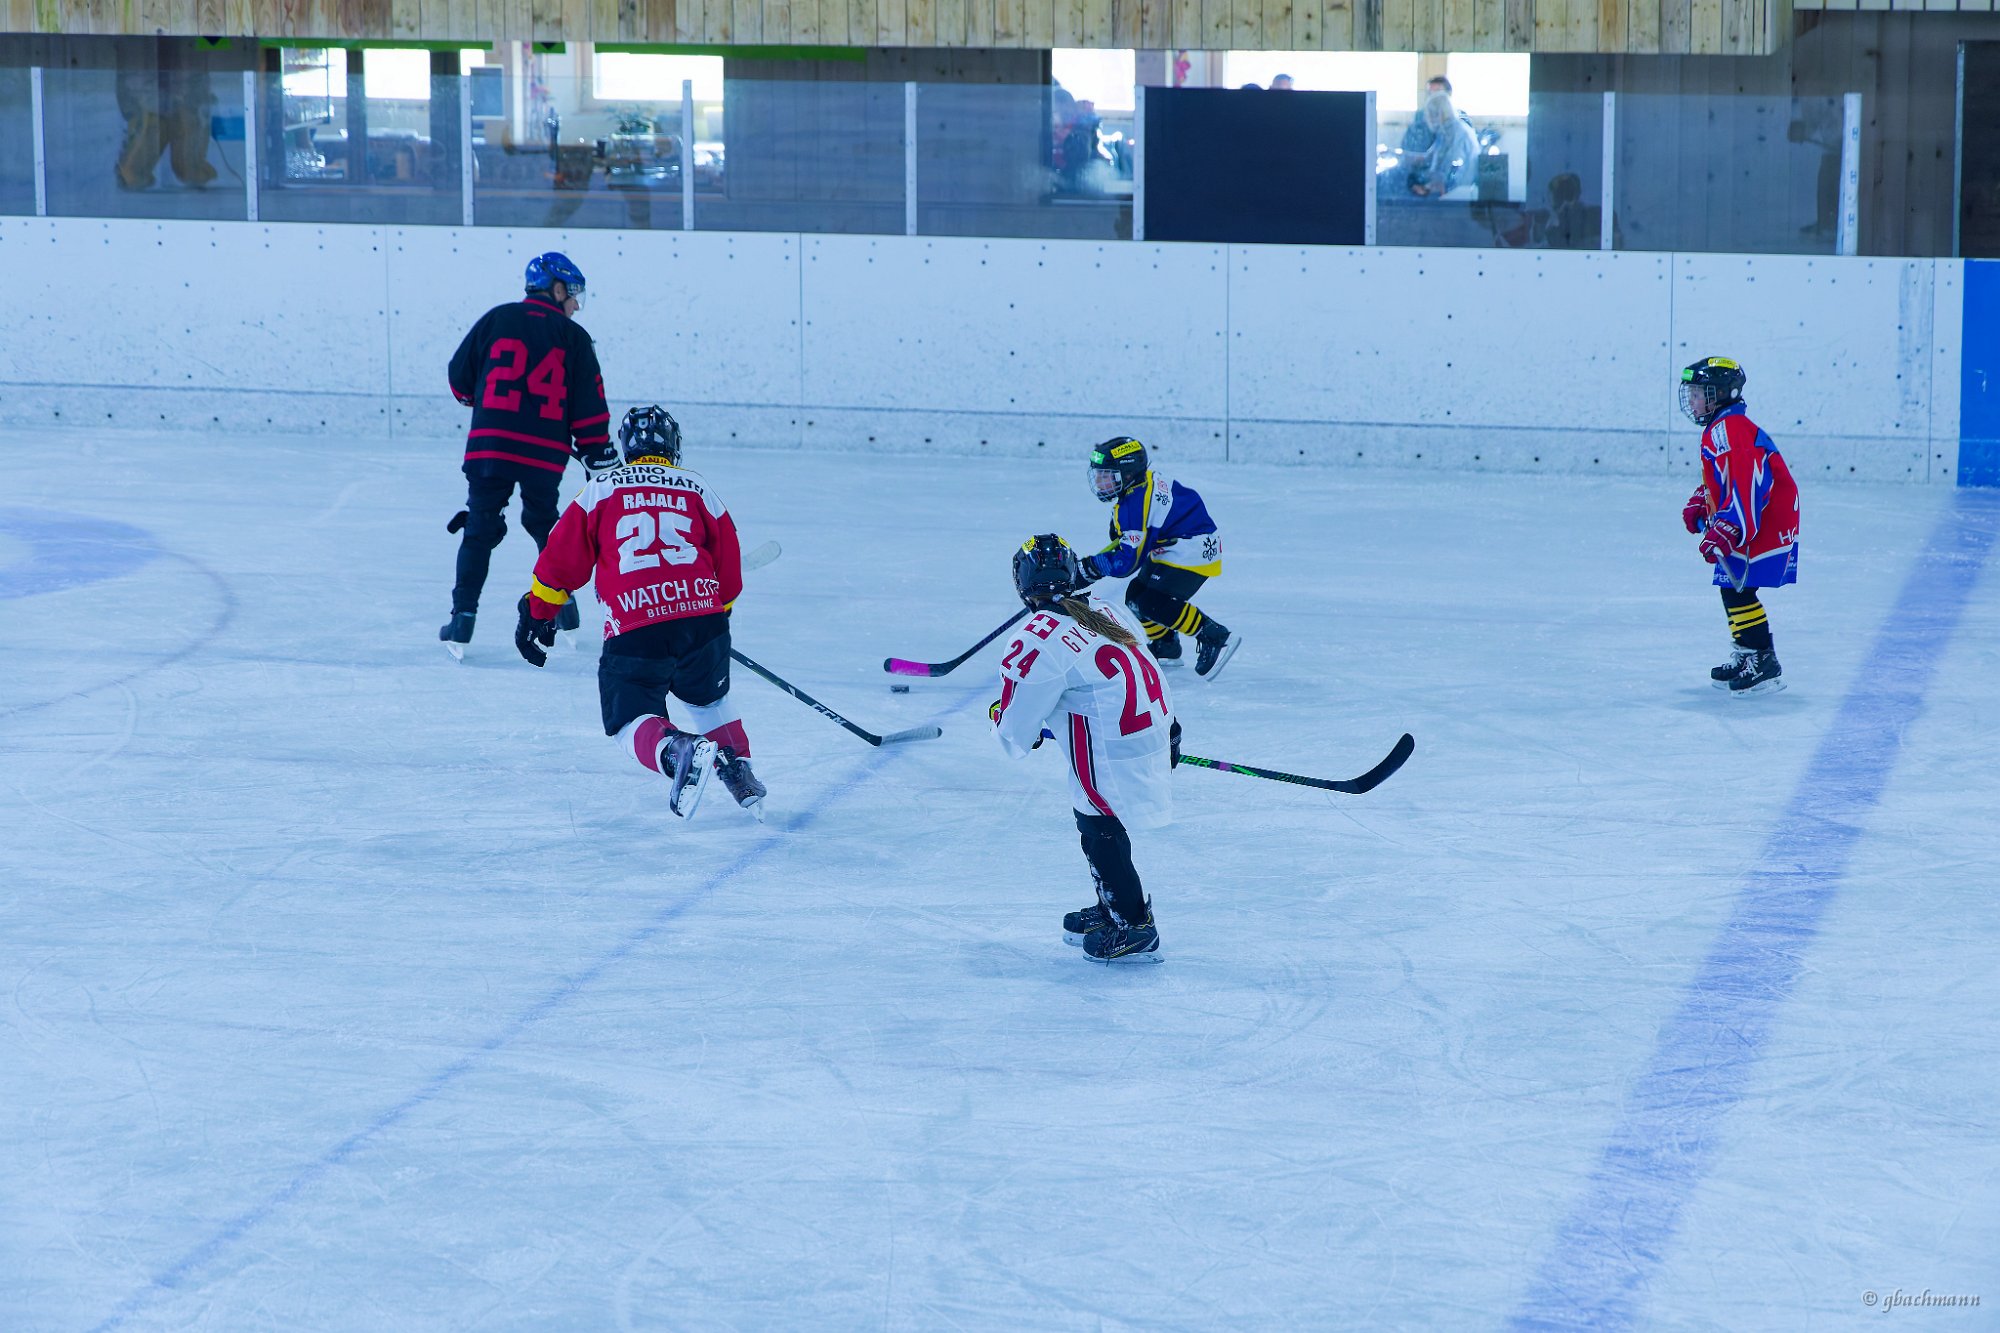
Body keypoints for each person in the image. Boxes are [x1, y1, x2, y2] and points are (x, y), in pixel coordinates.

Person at [514, 406, 767, 820]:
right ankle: (739, 770)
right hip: (701, 621)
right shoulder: (697, 487)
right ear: (674, 445)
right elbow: (729, 566)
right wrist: (714, 619)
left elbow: (560, 560)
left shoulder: (600, 488)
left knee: (628, 718)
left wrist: (538, 611)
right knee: (708, 699)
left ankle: (676, 750)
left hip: (635, 624)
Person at [990, 534, 1180, 963]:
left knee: (1097, 826)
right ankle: (1113, 906)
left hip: (1110, 747)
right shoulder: (1106, 608)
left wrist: (1004, 716)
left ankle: (1134, 924)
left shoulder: (1038, 636)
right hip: (1149, 730)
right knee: (1098, 822)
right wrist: (1171, 728)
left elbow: (1015, 730)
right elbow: (1146, 665)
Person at [440, 252, 615, 657]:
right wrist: (596, 454)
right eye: (573, 295)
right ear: (557, 289)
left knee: (479, 526)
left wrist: (482, 403)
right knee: (545, 525)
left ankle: (462, 619)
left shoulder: (496, 319)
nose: (575, 306)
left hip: (491, 445)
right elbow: (590, 408)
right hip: (544, 453)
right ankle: (564, 609)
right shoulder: (574, 337)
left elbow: (459, 378)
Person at [1678, 357, 1799, 694]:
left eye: (1700, 393)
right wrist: (1704, 498)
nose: (1692, 401)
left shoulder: (1731, 429)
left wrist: (1729, 527)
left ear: (1722, 394)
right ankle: (1749, 653)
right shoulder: (1722, 426)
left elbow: (1750, 483)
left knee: (1739, 589)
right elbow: (1726, 478)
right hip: (1751, 517)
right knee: (1731, 587)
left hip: (1763, 520)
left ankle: (1763, 659)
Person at [1077, 436, 1241, 679]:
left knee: (1153, 602)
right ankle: (1165, 646)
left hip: (1192, 550)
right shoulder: (1138, 486)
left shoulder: (1135, 503)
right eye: (1099, 474)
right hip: (1176, 545)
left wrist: (1091, 567)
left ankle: (1215, 636)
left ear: (1128, 474)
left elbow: (1128, 562)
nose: (1100, 482)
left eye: (1107, 475)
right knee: (1136, 595)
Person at [1408, 90, 1479, 198]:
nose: (1427, 119)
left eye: (1429, 114)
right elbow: (1428, 157)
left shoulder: (1458, 134)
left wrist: (1431, 185)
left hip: (1459, 192)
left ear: (1439, 114)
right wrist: (1399, 155)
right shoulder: (1446, 131)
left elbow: (1453, 168)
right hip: (1451, 187)